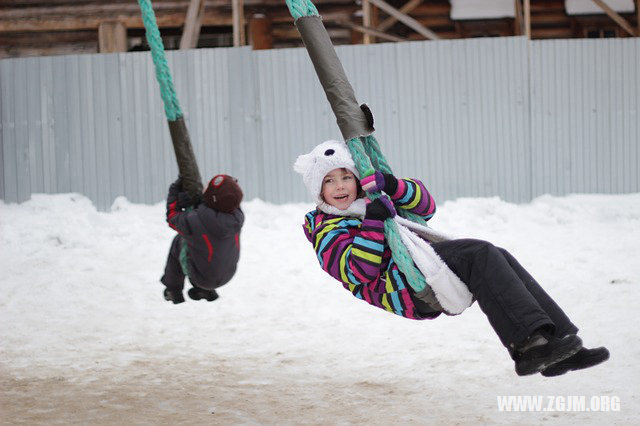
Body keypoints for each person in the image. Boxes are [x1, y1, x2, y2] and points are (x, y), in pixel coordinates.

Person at [294, 140, 609, 377]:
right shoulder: (326, 227)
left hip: (418, 263)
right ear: (317, 190)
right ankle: (528, 346)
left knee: (499, 256)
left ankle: (562, 342)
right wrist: (374, 223)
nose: (339, 187)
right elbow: (358, 271)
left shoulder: (370, 198)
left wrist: (391, 186)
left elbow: (425, 207)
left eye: (345, 177)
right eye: (329, 181)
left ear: (356, 179)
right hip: (404, 286)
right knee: (480, 254)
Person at [161, 174, 244, 304]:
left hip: (202, 278)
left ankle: (173, 290)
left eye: (207, 187)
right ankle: (205, 291)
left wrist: (174, 192)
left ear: (211, 197)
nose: (204, 187)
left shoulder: (195, 221)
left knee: (179, 241)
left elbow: (172, 217)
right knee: (206, 246)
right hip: (228, 274)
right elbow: (220, 202)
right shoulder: (237, 216)